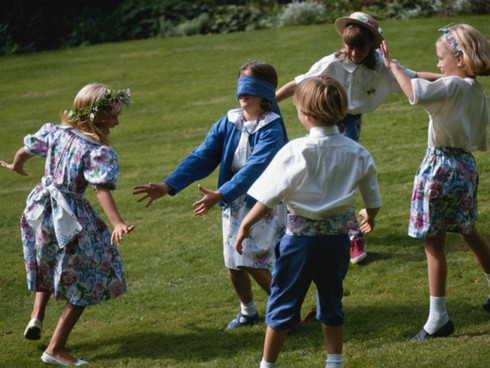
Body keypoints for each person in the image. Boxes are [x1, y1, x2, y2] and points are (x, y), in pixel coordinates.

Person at [235, 76, 382, 368]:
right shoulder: (356, 151)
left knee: (282, 301)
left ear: (306, 115)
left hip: (299, 243)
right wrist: (370, 215)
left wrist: (245, 225)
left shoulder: (295, 151)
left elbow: (268, 196)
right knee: (331, 299)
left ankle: (268, 364)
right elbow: (372, 198)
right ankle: (334, 362)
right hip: (336, 242)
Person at [133, 61, 288, 330]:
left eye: (249, 87)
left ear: (265, 92)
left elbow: (255, 169)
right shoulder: (228, 122)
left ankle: (287, 310)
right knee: (234, 261)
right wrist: (169, 185)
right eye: (240, 86)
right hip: (231, 200)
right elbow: (202, 156)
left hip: (263, 200)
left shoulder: (272, 127)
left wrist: (220, 193)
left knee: (251, 259)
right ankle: (248, 312)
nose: (242, 93)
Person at [276, 12, 440, 264]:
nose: (353, 52)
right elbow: (299, 83)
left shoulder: (381, 66)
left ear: (372, 46)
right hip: (321, 120)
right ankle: (309, 225)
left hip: (349, 122)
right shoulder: (332, 63)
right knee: (321, 172)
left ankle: (351, 234)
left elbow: (414, 77)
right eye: (348, 45)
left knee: (342, 174)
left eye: (360, 47)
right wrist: (269, 102)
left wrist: (453, 78)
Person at [1, 83, 134, 365]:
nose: (117, 122)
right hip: (67, 214)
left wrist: (16, 165)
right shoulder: (95, 150)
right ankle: (55, 350)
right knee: (89, 274)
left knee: (48, 260)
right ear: (96, 116)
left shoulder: (55, 132)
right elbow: (101, 189)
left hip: (39, 208)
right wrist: (117, 222)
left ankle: (37, 316)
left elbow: (26, 150)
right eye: (114, 116)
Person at [380, 24, 490, 340]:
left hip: (441, 168)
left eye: (441, 59)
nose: (438, 65)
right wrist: (401, 68)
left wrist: (391, 68)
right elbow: (433, 79)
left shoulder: (452, 87)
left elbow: (415, 94)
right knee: (467, 229)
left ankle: (438, 319)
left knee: (434, 241)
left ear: (460, 57)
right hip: (465, 166)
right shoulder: (472, 88)